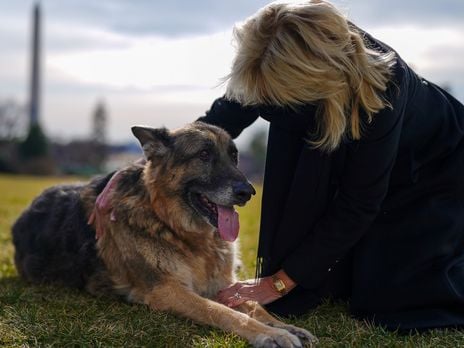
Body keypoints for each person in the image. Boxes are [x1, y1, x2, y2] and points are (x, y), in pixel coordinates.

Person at [92, 0, 464, 331]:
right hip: (350, 146)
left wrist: (278, 282)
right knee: (324, 285)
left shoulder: (384, 90)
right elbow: (214, 124)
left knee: (396, 303)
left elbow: (359, 202)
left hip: (434, 166)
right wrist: (134, 171)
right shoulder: (268, 53)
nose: (263, 100)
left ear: (312, 81)